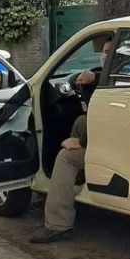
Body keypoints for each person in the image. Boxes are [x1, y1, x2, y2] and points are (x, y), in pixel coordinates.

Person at [30, 40, 112, 244]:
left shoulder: (119, 81)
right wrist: (95, 78)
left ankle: (58, 223)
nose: (105, 56)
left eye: (110, 52)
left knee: (66, 156)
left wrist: (82, 142)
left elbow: (107, 116)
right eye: (104, 52)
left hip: (114, 145)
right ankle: (77, 181)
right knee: (80, 121)